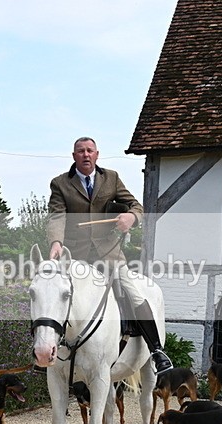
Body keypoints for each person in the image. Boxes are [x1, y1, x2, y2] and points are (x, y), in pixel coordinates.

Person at [46, 137, 173, 376]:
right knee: (54, 294)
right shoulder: (60, 184)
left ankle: (157, 351)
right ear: (74, 156)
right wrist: (56, 241)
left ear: (97, 154)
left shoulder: (111, 178)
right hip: (76, 258)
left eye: (89, 151)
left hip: (109, 253)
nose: (85, 155)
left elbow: (136, 205)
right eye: (80, 151)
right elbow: (57, 217)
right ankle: (48, 353)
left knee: (134, 293)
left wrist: (131, 218)